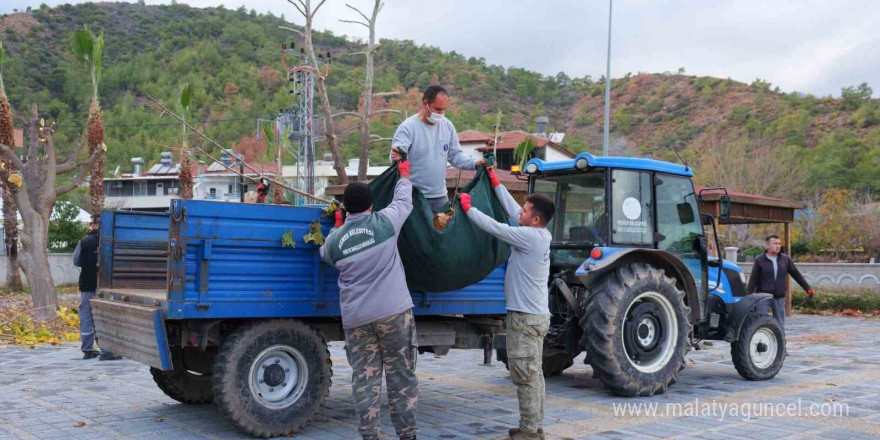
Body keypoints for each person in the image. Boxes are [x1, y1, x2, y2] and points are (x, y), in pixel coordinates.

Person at [319, 161, 419, 440]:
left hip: (357, 320)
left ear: (345, 207)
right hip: (394, 314)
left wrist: (338, 226)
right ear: (371, 205)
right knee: (401, 376)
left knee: (364, 380)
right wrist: (403, 173)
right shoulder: (386, 222)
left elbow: (324, 255)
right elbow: (404, 200)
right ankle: (407, 434)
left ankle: (370, 435)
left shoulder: (334, 242)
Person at [459, 168, 555, 440]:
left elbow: (496, 227)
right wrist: (496, 183)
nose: (520, 213)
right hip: (534, 316)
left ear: (536, 219)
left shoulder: (529, 237)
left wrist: (468, 208)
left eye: (526, 211)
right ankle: (533, 425)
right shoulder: (538, 233)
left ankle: (528, 432)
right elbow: (513, 212)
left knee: (525, 375)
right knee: (534, 374)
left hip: (525, 319)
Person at [390, 85, 486, 212]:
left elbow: (455, 156)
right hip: (412, 196)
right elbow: (397, 155)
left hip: (439, 197)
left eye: (443, 110)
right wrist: (397, 156)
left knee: (441, 229)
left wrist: (475, 163)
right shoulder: (408, 127)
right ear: (425, 104)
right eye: (437, 109)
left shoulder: (448, 126)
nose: (440, 113)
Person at [73, 218, 121, 361]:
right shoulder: (112, 241)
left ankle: (88, 350)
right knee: (105, 316)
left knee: (87, 315)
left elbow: (76, 261)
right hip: (107, 286)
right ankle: (107, 351)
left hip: (88, 284)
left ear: (94, 225)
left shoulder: (85, 241)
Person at [747, 235, 814, 337]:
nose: (778, 246)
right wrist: (747, 296)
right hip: (763, 297)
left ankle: (782, 349)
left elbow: (796, 274)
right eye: (775, 243)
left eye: (779, 244)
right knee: (759, 322)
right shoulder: (760, 260)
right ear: (768, 246)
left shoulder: (785, 259)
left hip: (779, 297)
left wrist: (807, 289)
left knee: (780, 324)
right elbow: (753, 279)